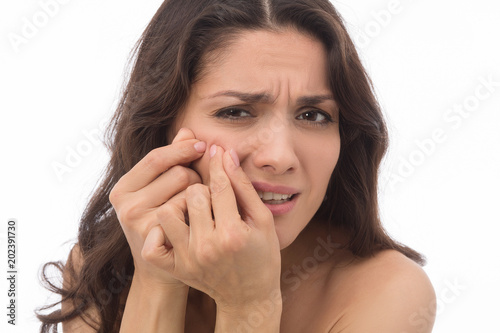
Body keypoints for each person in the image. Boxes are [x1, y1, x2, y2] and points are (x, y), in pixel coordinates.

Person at [37, 0, 436, 332]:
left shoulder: (387, 291)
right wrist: (157, 280)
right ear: (164, 128)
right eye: (236, 111)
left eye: (313, 115)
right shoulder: (100, 271)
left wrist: (248, 305)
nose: (279, 156)